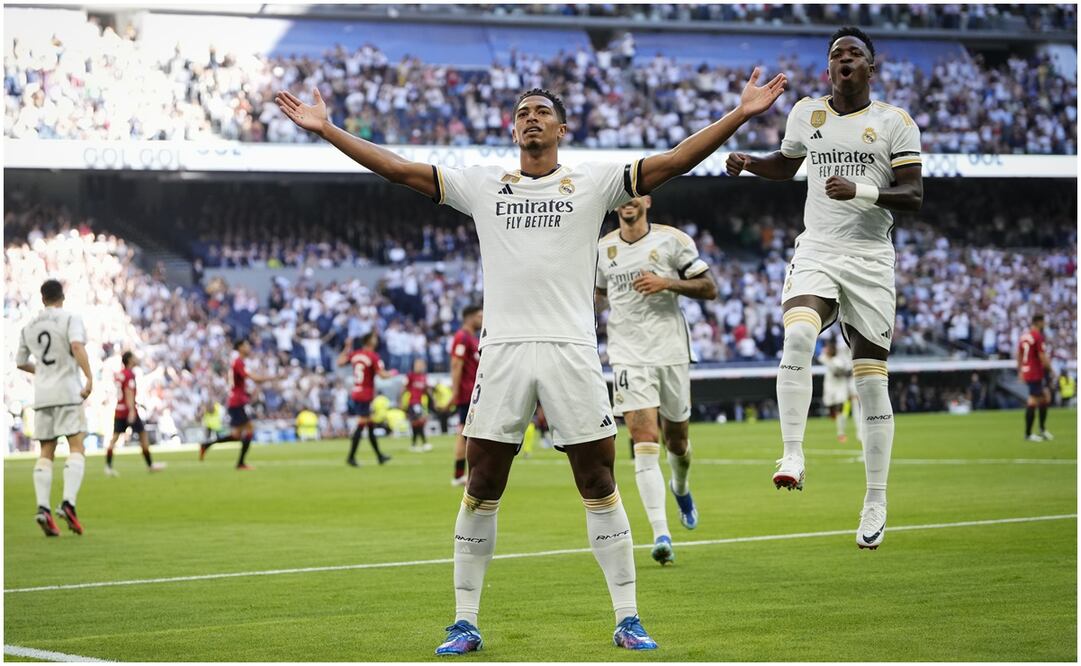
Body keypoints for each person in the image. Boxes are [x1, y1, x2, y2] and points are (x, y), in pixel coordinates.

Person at [276, 65, 785, 653]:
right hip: (504, 353)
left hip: (572, 352)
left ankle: (628, 617)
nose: (531, 119)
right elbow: (398, 169)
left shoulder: (594, 183)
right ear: (512, 129)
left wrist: (739, 115)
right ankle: (465, 621)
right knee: (482, 482)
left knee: (598, 480)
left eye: (542, 112)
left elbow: (673, 162)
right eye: (522, 113)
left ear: (562, 129)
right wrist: (328, 130)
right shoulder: (482, 185)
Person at [727, 26, 923, 550]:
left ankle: (875, 499)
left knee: (871, 382)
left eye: (854, 53)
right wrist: (750, 163)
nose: (844, 59)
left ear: (870, 69)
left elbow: (913, 194)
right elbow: (786, 164)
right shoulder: (806, 114)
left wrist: (860, 190)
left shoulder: (895, 123)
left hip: (871, 258)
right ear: (828, 68)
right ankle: (792, 452)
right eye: (837, 54)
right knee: (797, 336)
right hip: (817, 247)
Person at [595, 195, 718, 566]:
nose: (627, 204)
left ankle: (680, 486)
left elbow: (709, 288)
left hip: (671, 351)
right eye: (621, 199)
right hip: (627, 354)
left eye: (633, 196)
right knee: (644, 439)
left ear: (646, 201)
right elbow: (599, 295)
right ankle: (661, 534)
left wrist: (666, 282)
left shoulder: (672, 240)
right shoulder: (602, 248)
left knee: (677, 440)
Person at [15, 279, 92, 537]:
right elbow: (77, 346)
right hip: (67, 391)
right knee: (76, 446)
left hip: (43, 395)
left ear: (42, 298)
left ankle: (43, 508)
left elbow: (20, 362)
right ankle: (68, 503)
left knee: (46, 450)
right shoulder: (70, 318)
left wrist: (43, 372)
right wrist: (89, 376)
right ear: (62, 296)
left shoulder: (29, 326)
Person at [200, 339, 277, 470]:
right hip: (237, 402)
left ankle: (206, 445)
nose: (248, 347)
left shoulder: (238, 362)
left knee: (236, 435)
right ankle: (240, 463)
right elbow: (253, 378)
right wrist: (273, 377)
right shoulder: (238, 362)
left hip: (236, 401)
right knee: (249, 429)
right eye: (246, 345)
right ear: (240, 347)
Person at [105, 351, 166, 476]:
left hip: (119, 409)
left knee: (115, 438)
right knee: (142, 435)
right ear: (129, 360)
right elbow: (128, 392)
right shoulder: (129, 374)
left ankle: (108, 466)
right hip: (128, 410)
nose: (136, 359)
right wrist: (132, 410)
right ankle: (150, 465)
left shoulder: (121, 374)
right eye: (133, 357)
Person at [339, 332, 395, 466]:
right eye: (374, 338)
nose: (376, 340)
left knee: (370, 425)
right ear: (369, 341)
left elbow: (339, 362)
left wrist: (347, 347)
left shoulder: (355, 354)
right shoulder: (373, 356)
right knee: (361, 424)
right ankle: (351, 457)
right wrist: (392, 373)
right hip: (365, 394)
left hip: (357, 391)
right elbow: (382, 375)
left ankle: (379, 456)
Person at [448, 305, 482, 486]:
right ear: (469, 317)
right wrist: (455, 392)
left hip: (473, 392)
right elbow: (456, 364)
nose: (482, 319)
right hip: (467, 393)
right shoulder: (462, 337)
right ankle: (463, 475)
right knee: (467, 434)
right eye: (479, 316)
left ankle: (461, 475)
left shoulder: (471, 338)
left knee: (467, 434)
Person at [1018, 313, 1053, 441]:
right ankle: (1028, 434)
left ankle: (1042, 429)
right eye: (1043, 322)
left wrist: (1020, 370)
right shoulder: (1037, 336)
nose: (1044, 324)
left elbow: (1019, 354)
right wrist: (1051, 370)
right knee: (1033, 400)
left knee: (1045, 397)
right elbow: (1042, 356)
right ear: (1038, 322)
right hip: (1035, 371)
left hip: (1028, 370)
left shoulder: (1024, 336)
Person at [819, 338, 859, 443]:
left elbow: (845, 370)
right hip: (832, 387)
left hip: (844, 386)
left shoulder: (840, 360)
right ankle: (839, 424)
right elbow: (823, 358)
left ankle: (854, 433)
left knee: (851, 405)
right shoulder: (828, 359)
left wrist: (845, 372)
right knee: (835, 408)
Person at [404, 357, 433, 452]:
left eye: (421, 365)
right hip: (413, 402)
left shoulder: (424, 377)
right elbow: (404, 388)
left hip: (421, 403)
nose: (420, 367)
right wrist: (400, 401)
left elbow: (426, 390)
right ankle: (423, 443)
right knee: (419, 422)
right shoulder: (410, 376)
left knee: (417, 423)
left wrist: (432, 399)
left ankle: (414, 444)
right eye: (418, 365)